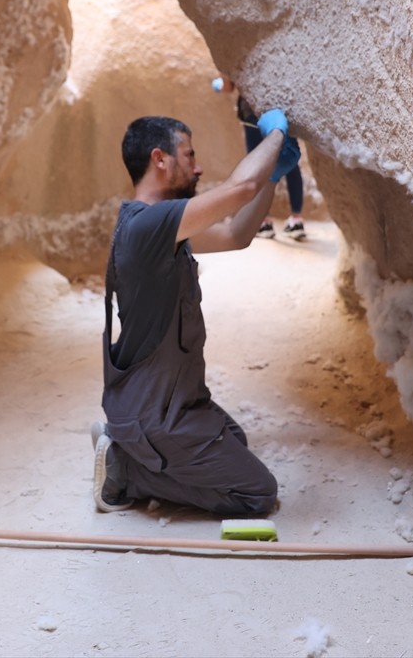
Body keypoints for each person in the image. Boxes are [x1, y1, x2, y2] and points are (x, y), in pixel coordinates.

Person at [92, 110, 301, 516]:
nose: (198, 166)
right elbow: (242, 186)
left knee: (234, 441)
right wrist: (273, 135)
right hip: (156, 413)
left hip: (167, 404)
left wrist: (273, 177)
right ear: (160, 159)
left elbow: (235, 235)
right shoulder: (150, 225)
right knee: (257, 493)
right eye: (189, 155)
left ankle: (132, 450)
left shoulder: (156, 227)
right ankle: (129, 470)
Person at [214, 77, 306, 240]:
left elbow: (228, 85)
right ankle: (296, 219)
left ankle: (263, 222)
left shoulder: (236, 54)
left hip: (252, 113)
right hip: (281, 108)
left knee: (257, 163)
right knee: (290, 159)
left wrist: (218, 85)